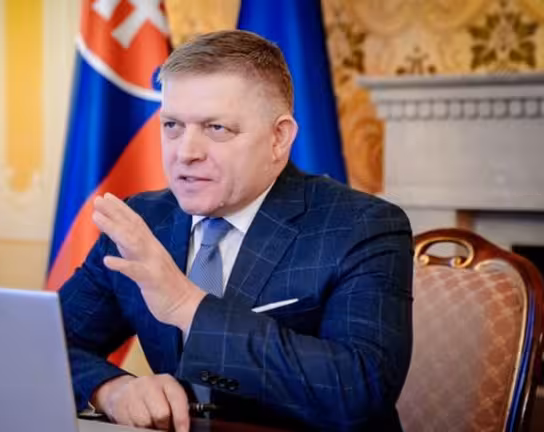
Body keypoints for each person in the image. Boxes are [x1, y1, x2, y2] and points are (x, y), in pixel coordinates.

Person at [58, 30, 413, 431]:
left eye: (216, 128)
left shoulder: (361, 226)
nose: (185, 152)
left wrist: (188, 306)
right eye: (172, 125)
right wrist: (110, 389)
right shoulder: (143, 220)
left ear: (279, 138)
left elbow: (360, 390)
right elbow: (48, 342)